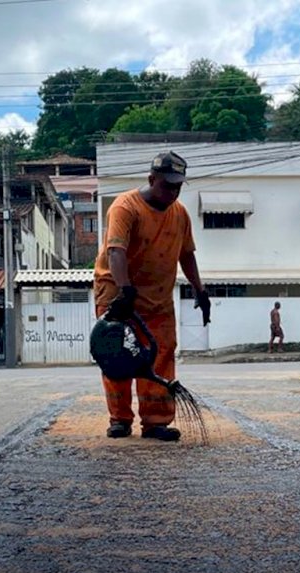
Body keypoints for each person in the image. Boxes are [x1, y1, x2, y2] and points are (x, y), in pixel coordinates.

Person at [93, 150, 210, 442]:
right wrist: (125, 290)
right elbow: (115, 250)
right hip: (117, 291)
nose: (172, 192)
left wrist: (200, 289)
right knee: (117, 354)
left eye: (177, 186)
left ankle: (156, 422)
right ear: (151, 179)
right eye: (167, 185)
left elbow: (187, 254)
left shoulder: (180, 213)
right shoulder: (125, 207)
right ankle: (119, 419)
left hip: (158, 295)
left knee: (161, 355)